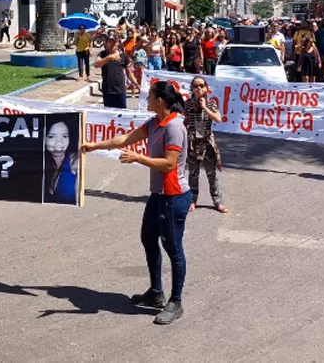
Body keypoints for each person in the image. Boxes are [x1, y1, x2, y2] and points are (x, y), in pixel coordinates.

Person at [81, 80, 192, 325]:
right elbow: (125, 139)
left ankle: (176, 301)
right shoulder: (155, 123)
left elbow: (169, 164)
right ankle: (155, 292)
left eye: (150, 96)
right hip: (158, 195)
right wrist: (93, 146)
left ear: (160, 101)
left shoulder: (174, 126)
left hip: (174, 197)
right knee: (148, 238)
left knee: (173, 249)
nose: (147, 100)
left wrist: (138, 158)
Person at [184, 76, 228, 214]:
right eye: (196, 86)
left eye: (201, 85)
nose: (198, 88)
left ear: (206, 88)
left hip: (207, 143)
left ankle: (217, 201)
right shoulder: (188, 104)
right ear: (192, 88)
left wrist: (204, 107)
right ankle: (192, 199)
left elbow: (218, 119)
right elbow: (185, 120)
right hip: (193, 143)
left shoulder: (211, 103)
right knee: (193, 173)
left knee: (211, 174)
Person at [44, 120, 79, 204]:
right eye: (51, 136)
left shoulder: (74, 161)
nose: (59, 142)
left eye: (64, 136)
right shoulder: (43, 165)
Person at [95, 36, 134, 109]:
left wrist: (135, 83)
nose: (112, 44)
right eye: (110, 41)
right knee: (108, 115)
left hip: (120, 90)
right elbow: (96, 64)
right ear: (106, 43)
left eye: (114, 42)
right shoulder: (102, 54)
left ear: (118, 43)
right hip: (108, 90)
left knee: (121, 113)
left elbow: (129, 72)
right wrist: (110, 57)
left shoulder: (123, 55)